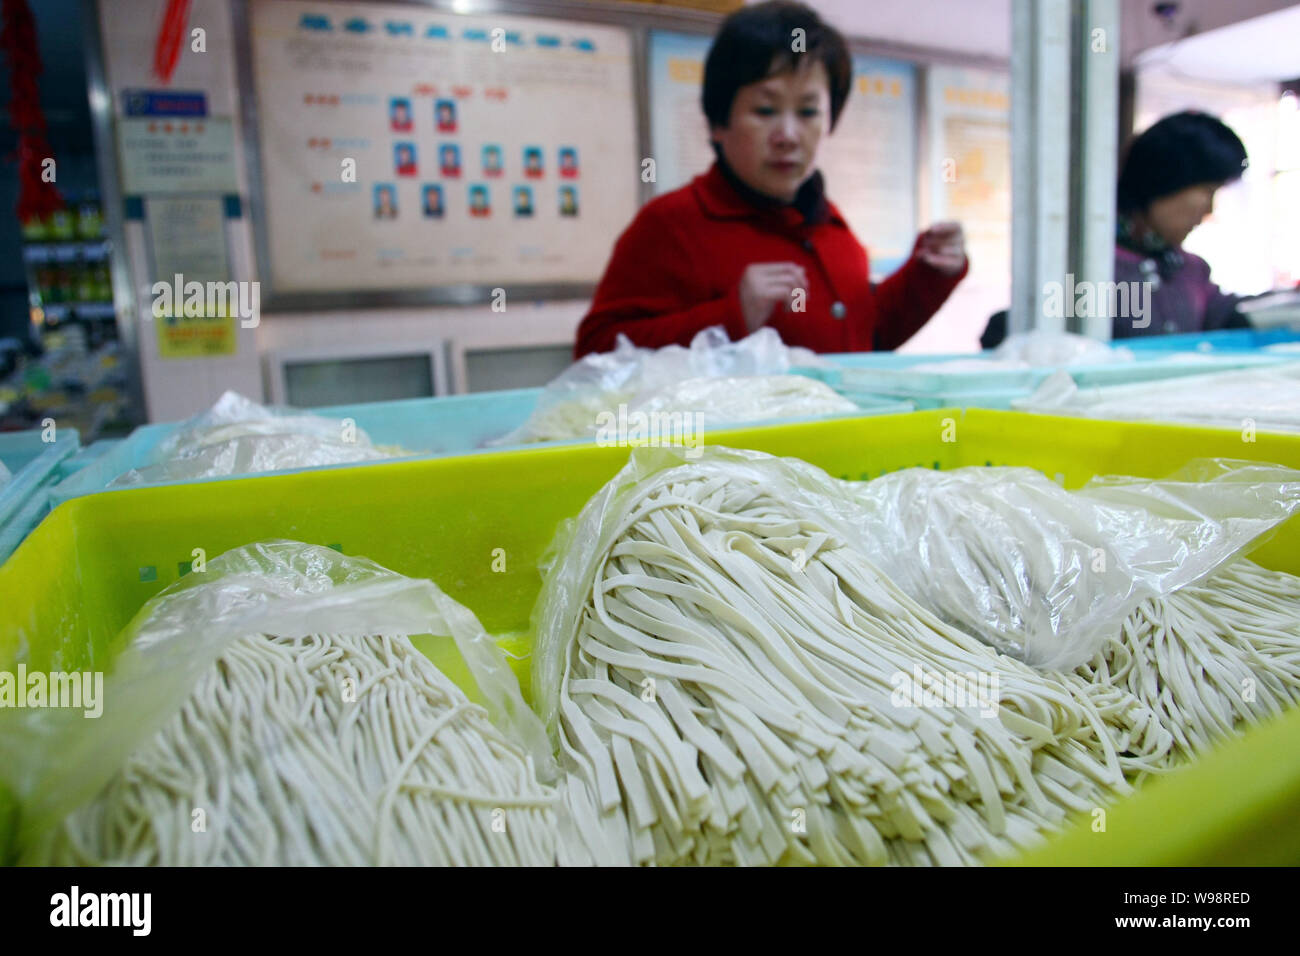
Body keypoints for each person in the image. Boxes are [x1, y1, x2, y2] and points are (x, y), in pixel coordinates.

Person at [574, 1, 966, 358]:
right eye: (765, 110)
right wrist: (731, 315)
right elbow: (595, 354)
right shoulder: (670, 225)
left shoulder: (830, 226)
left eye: (809, 112)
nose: (788, 136)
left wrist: (929, 273)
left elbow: (866, 337)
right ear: (717, 123)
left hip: (842, 435)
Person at [1113, 110, 1251, 338]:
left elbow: (1229, 314)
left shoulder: (1191, 270)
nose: (1209, 210)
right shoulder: (1094, 267)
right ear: (1167, 179)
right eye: (1208, 192)